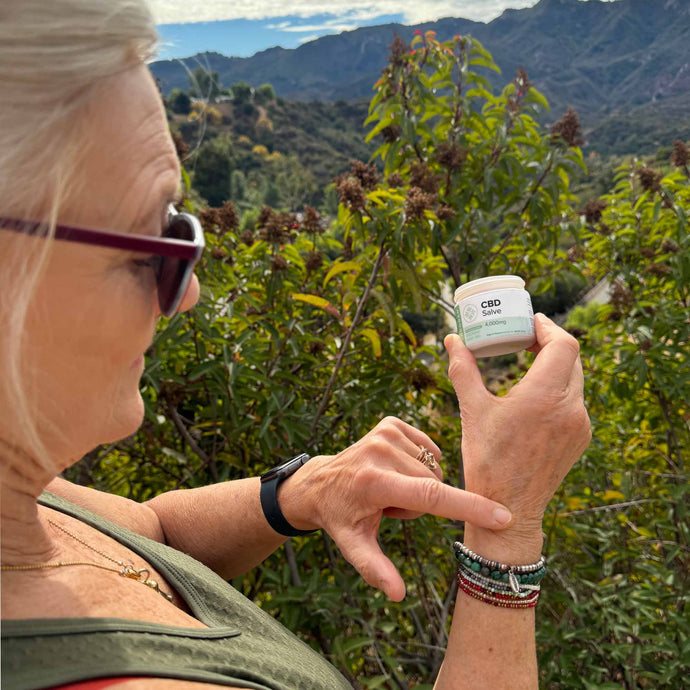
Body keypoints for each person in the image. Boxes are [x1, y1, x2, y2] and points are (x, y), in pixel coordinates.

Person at [0, 2, 592, 688]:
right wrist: (507, 528)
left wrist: (300, 490)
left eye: (180, 227)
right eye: (153, 245)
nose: (187, 290)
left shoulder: (25, 499)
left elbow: (150, 531)